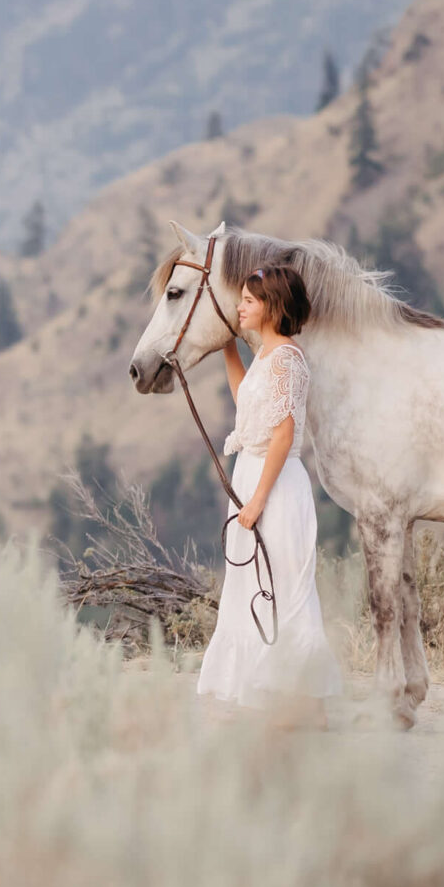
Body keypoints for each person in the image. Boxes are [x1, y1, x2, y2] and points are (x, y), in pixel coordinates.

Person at [195, 263, 343, 721]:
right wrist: (228, 349)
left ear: (273, 306)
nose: (240, 307)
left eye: (249, 301)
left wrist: (258, 499)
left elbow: (283, 433)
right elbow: (247, 401)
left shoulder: (288, 360)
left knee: (283, 585)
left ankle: (307, 704)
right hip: (253, 475)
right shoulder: (266, 355)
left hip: (274, 485)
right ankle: (271, 696)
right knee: (253, 584)